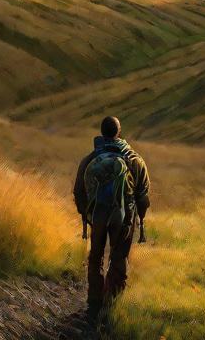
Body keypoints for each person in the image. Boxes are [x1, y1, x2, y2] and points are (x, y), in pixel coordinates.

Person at [74, 115, 150, 322]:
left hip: (97, 216)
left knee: (96, 255)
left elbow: (78, 191)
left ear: (101, 132)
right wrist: (139, 218)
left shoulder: (89, 160)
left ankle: (94, 303)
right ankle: (111, 305)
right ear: (119, 132)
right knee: (118, 258)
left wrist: (87, 215)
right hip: (124, 218)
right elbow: (143, 196)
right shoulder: (134, 160)